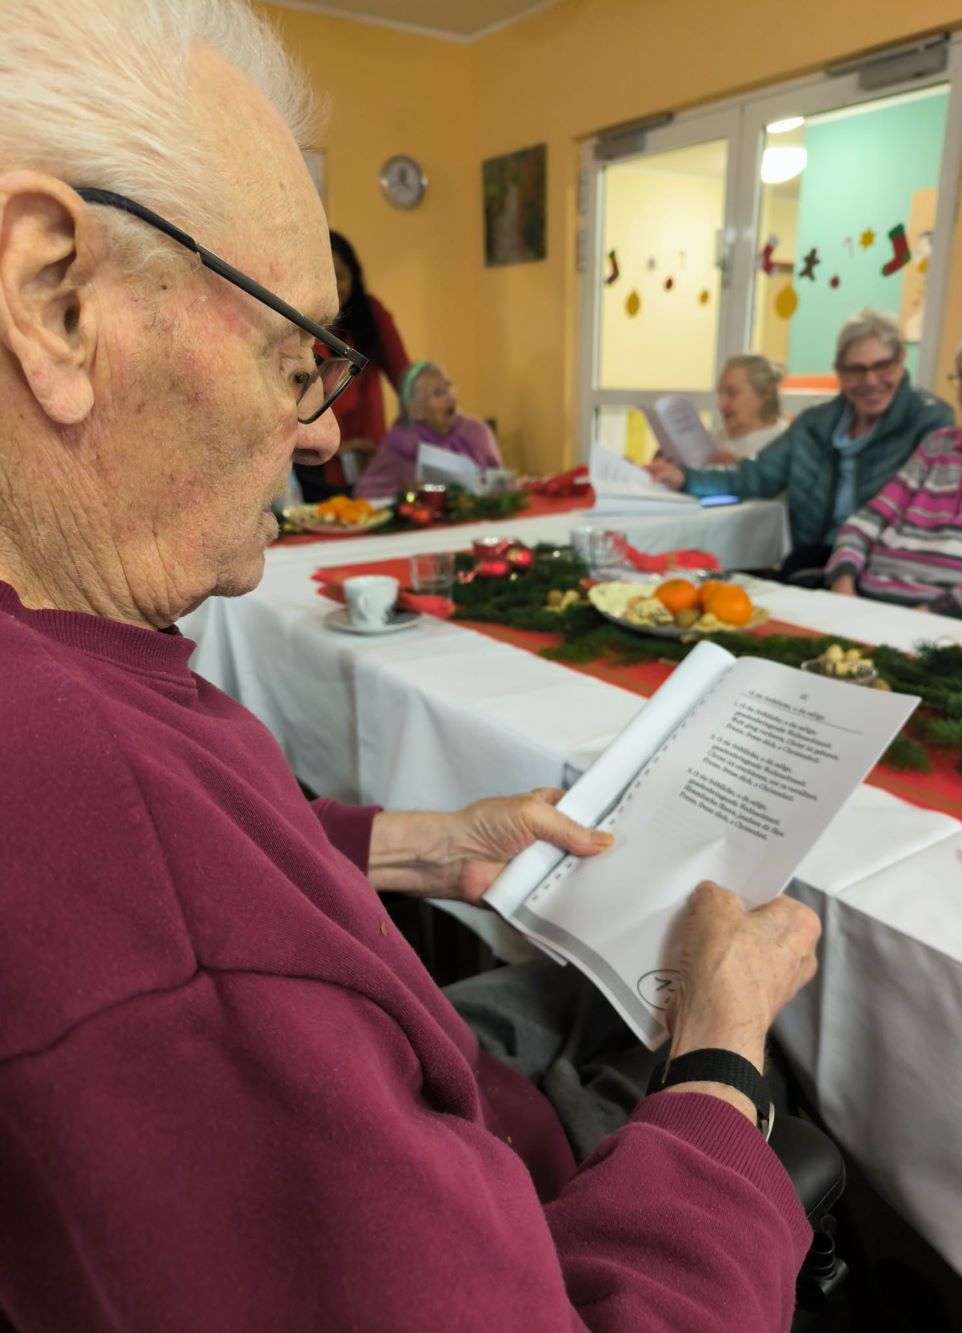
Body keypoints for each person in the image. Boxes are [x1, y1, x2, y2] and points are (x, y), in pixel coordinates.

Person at [0, 3, 821, 1328]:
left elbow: (213, 868)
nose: (324, 435)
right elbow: (186, 917)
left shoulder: (64, 684)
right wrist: (723, 1066)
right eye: (293, 352)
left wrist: (416, 845)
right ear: (55, 299)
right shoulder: (141, 896)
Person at [648, 310, 954, 579]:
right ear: (839, 372)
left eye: (882, 366)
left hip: (885, 565)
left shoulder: (929, 420)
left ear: (901, 360)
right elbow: (755, 477)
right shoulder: (814, 424)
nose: (871, 381)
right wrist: (686, 478)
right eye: (856, 370)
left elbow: (929, 514)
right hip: (813, 557)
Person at [827, 320, 962, 619]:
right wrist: (843, 586)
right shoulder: (937, 445)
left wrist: (925, 617)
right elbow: (865, 522)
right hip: (861, 605)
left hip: (943, 626)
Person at [294, 230, 410, 501]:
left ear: (354, 276)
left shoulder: (371, 314)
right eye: (325, 276)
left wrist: (404, 443)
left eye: (341, 276)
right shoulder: (298, 323)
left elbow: (407, 381)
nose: (334, 287)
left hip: (371, 458)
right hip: (318, 463)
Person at [355, 359, 503, 497]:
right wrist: (408, 494)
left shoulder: (476, 431)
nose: (450, 397)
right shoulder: (400, 445)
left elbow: (500, 482)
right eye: (438, 393)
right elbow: (365, 492)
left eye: (449, 387)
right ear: (415, 411)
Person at [711, 354, 786, 462]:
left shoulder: (786, 446)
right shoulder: (710, 442)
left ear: (765, 392)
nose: (721, 405)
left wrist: (735, 469)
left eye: (732, 393)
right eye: (720, 394)